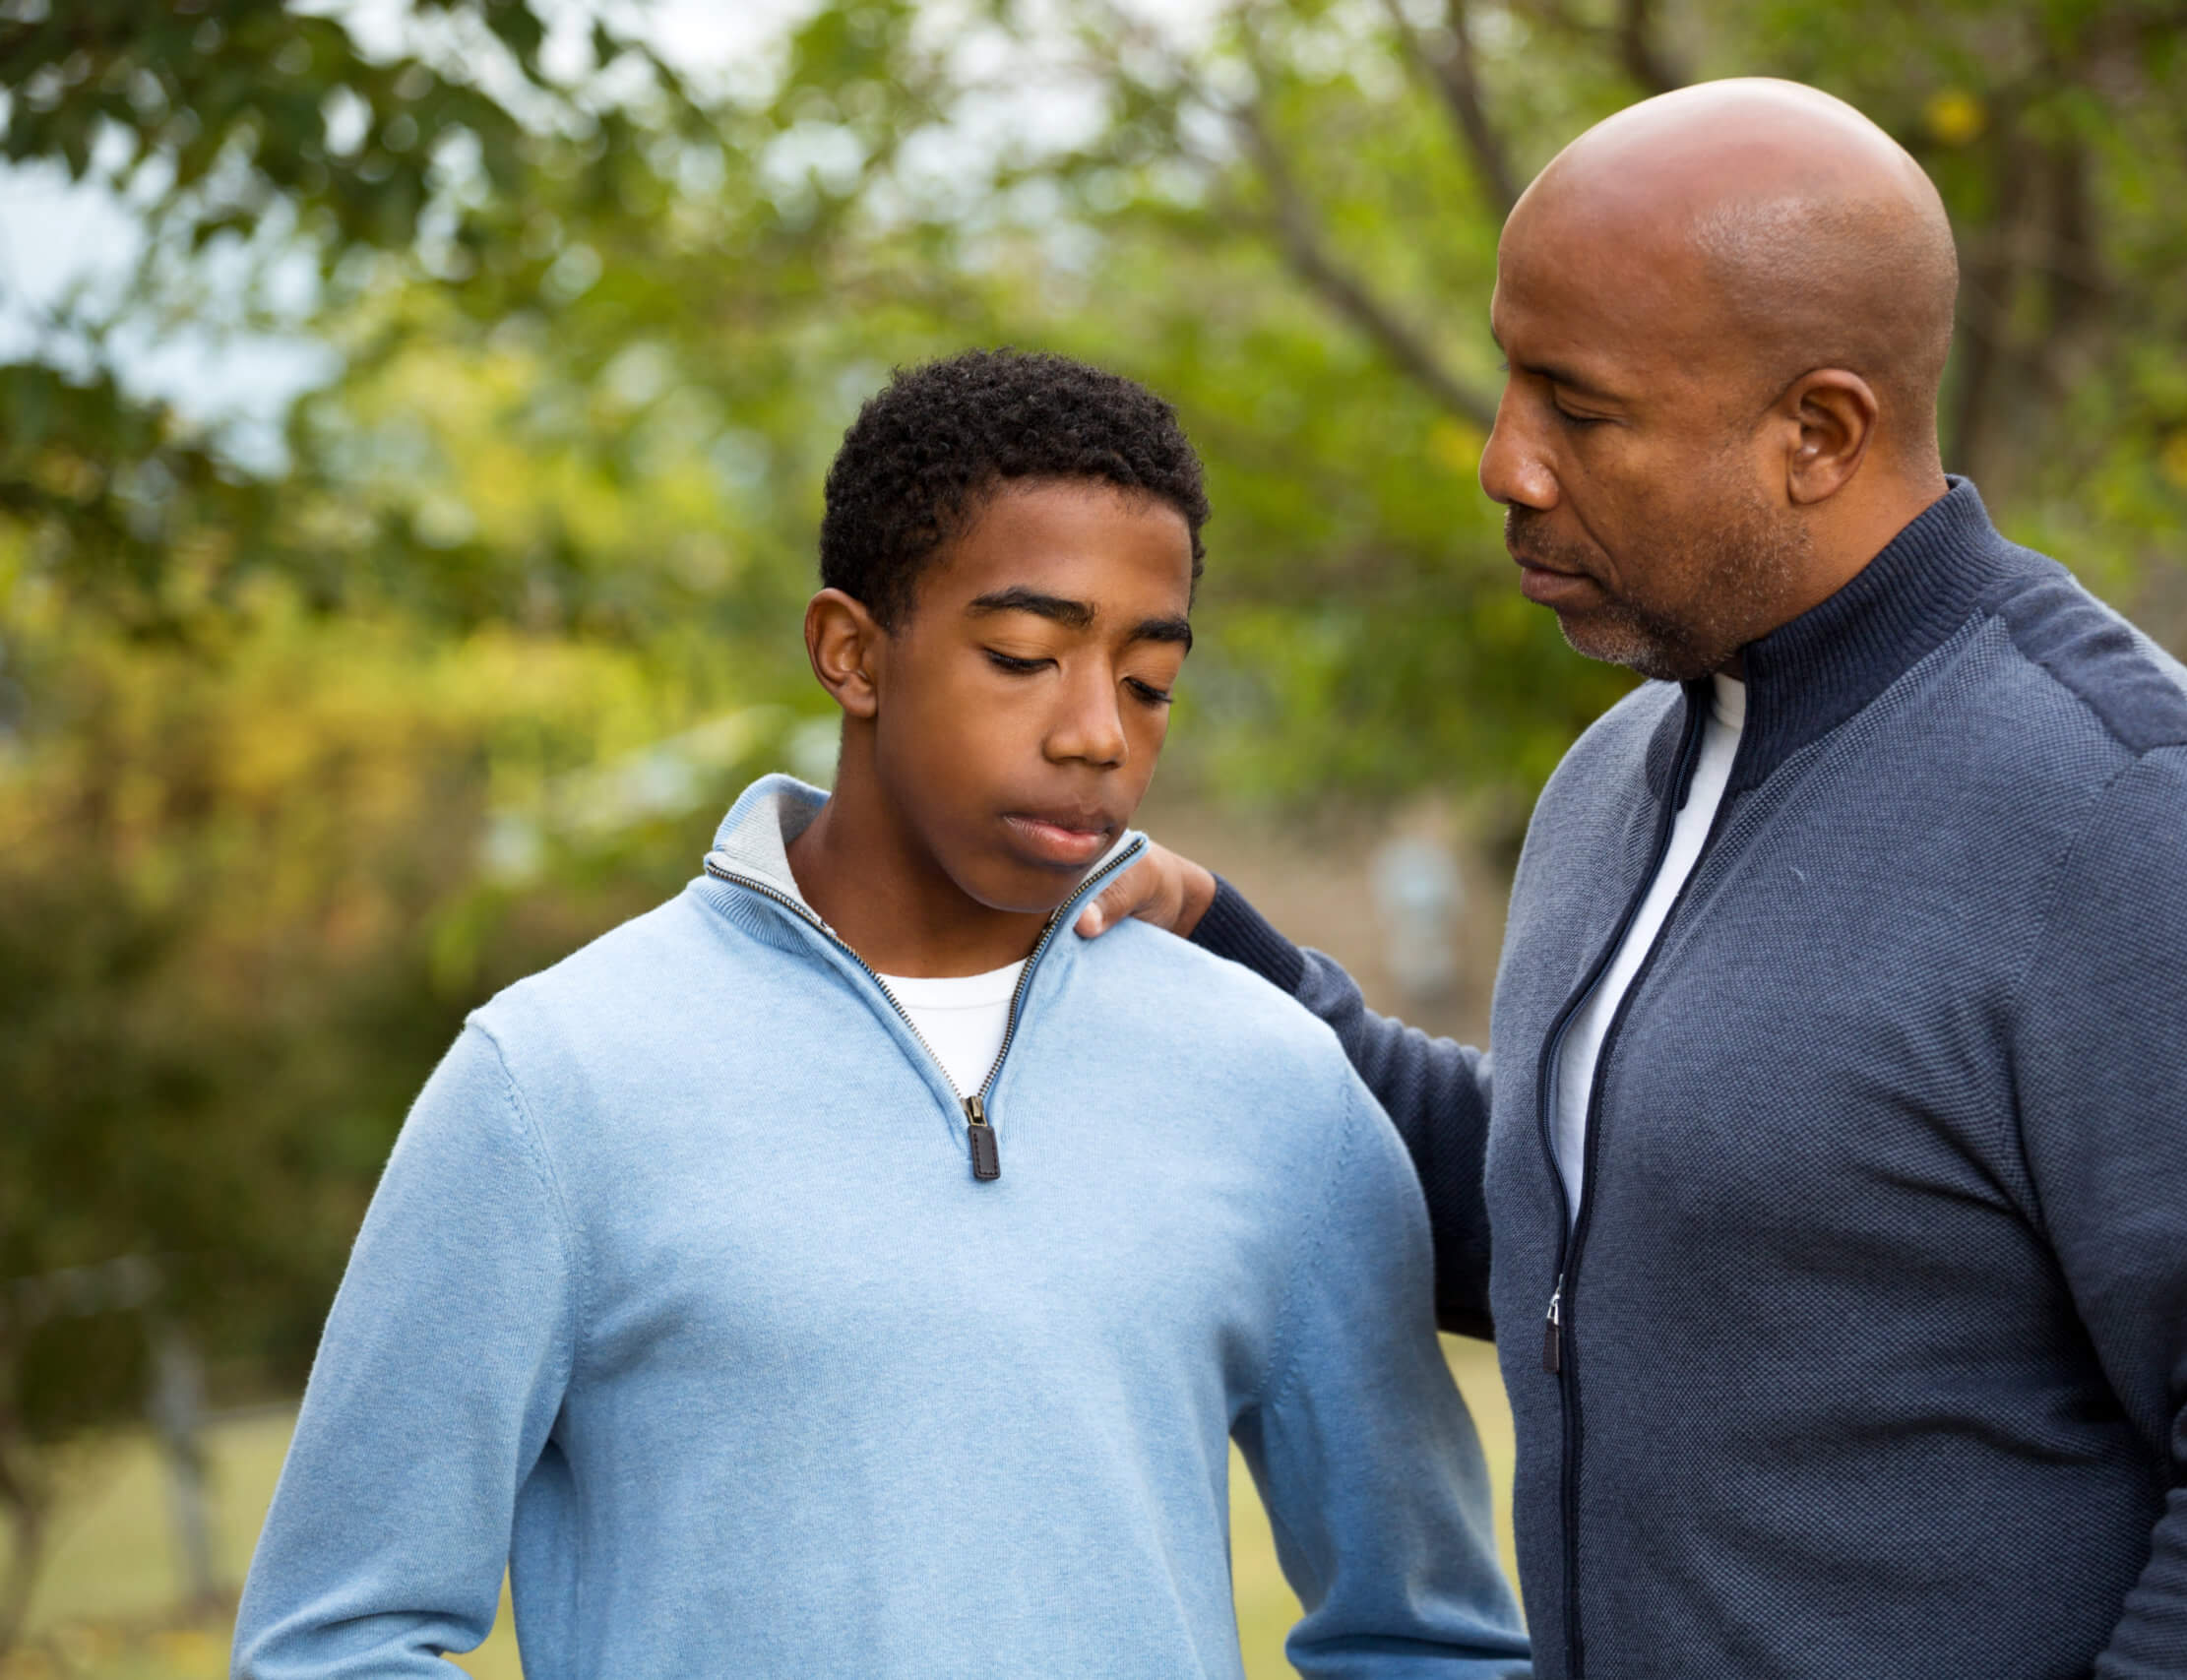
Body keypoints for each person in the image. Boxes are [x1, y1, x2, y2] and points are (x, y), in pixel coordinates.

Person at [1083, 81, 2187, 1679]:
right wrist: (1243, 974)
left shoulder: (2125, 820)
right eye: (1507, 381)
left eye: (1579, 408)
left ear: (1819, 432)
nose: (1503, 463)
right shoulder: (1616, 780)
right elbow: (1620, 1225)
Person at [233, 350, 1530, 1679]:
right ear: (852, 653)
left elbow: (1429, 1639)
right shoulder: (556, 1083)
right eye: (1025, 656)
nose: (1097, 733)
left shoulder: (1274, 1086)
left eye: (1148, 682)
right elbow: (337, 1643)